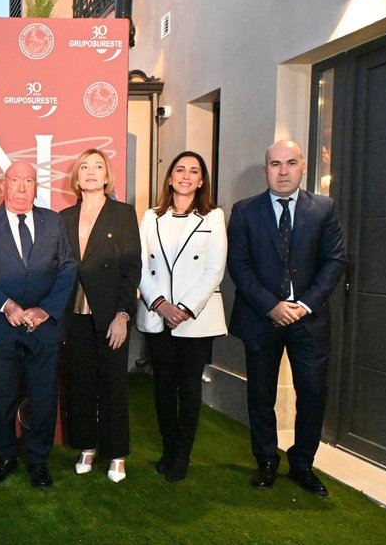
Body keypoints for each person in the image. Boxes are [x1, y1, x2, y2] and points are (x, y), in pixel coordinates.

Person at [228, 139, 346, 497]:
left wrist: (303, 305)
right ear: (266, 169)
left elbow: (335, 261)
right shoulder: (245, 211)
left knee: (311, 393)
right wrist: (272, 306)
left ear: (302, 166)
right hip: (261, 319)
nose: (282, 171)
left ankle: (302, 464)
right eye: (275, 164)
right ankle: (266, 461)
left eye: (290, 163)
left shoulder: (323, 208)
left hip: (309, 320)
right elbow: (239, 266)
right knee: (260, 395)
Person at [0, 161, 76, 489]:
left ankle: (38, 460)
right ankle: (6, 456)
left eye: (29, 181)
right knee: (2, 396)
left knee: (43, 396)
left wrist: (46, 310)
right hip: (0, 325)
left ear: (36, 187)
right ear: (3, 185)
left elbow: (68, 268)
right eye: (15, 180)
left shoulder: (53, 222)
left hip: (44, 328)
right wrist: (5, 304)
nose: (22, 187)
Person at [136, 151, 227, 482]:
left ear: (201, 180)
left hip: (195, 318)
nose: (186, 176)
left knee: (188, 386)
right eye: (180, 170)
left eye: (194, 171)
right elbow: (141, 266)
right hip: (158, 315)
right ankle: (168, 447)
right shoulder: (150, 217)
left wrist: (185, 309)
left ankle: (182, 455)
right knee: (163, 386)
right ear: (170, 178)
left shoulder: (213, 217)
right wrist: (160, 303)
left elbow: (214, 269)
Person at [60, 148, 141, 483]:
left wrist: (123, 313)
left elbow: (131, 268)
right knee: (79, 384)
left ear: (107, 176)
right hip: (73, 315)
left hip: (110, 315)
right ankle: (87, 447)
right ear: (76, 177)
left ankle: (116, 453)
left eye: (97, 167)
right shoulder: (63, 217)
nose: (91, 172)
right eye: (84, 167)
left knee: (112, 385)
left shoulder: (122, 214)